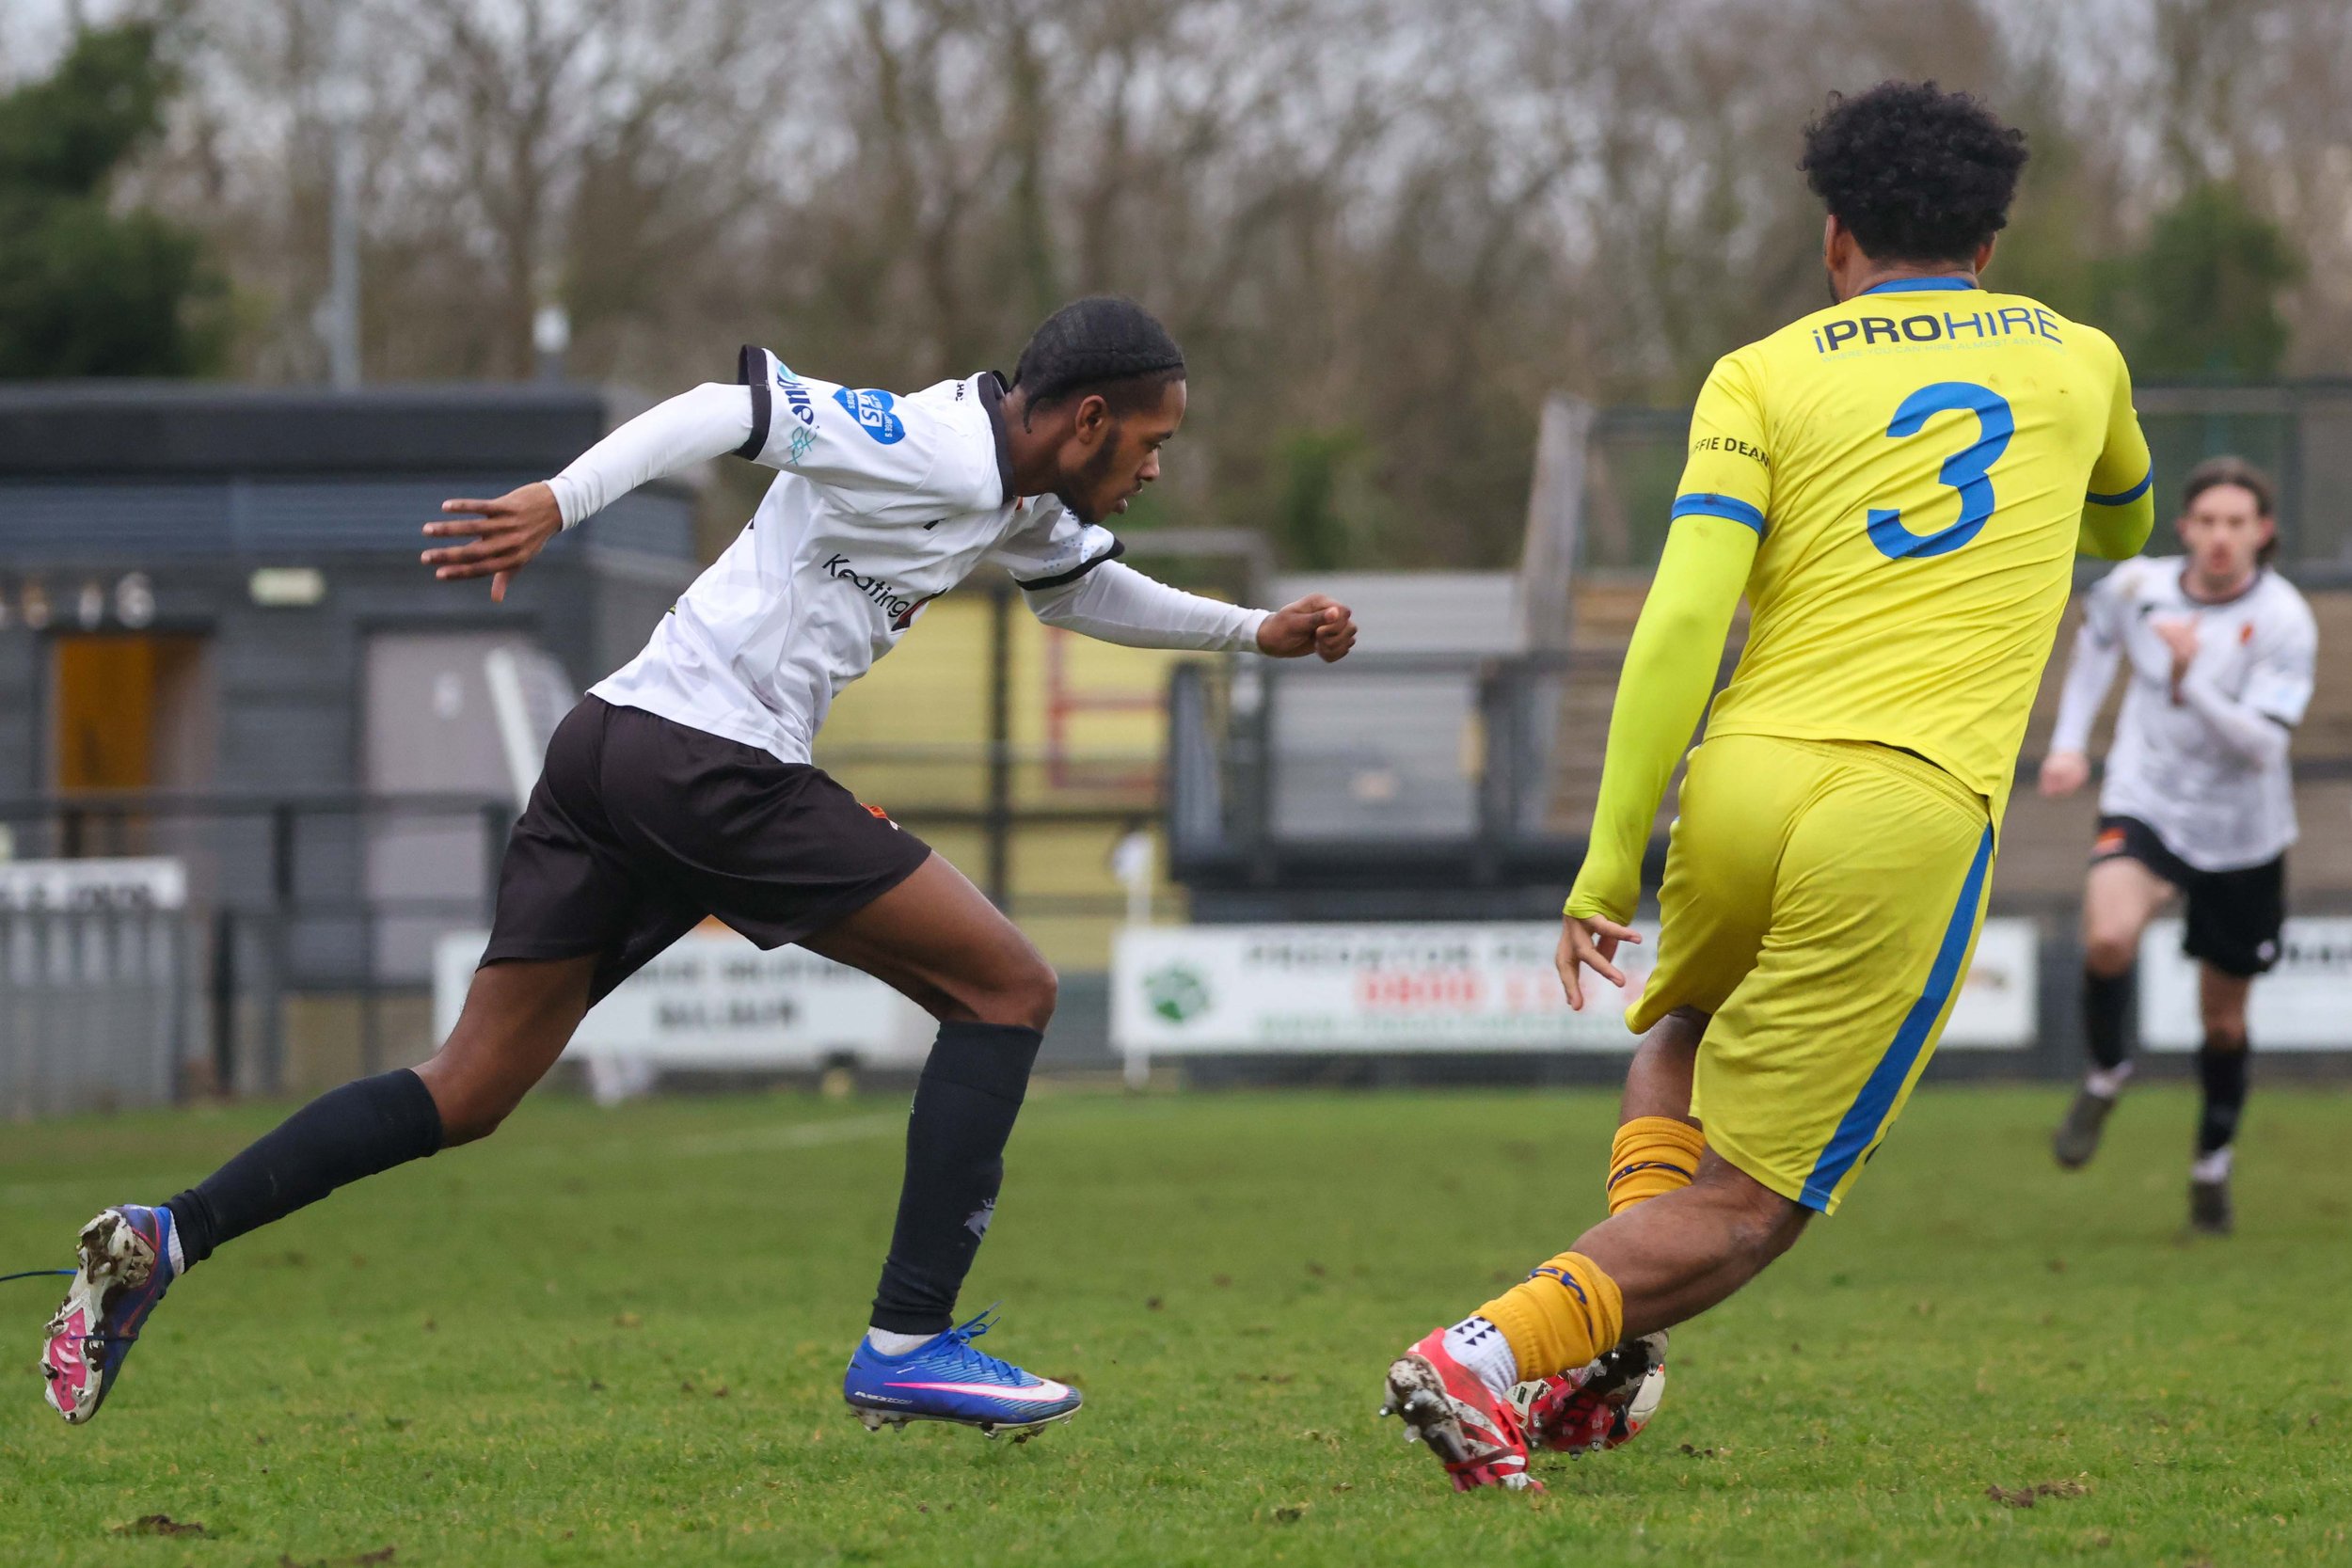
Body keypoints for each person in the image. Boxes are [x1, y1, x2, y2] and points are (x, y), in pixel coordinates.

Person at [40, 296, 1359, 1435]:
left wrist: (1255, 631)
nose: (1156, 468)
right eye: (1153, 441)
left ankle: (167, 1233)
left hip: (609, 749)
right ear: (1087, 420)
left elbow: (1081, 590)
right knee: (1010, 987)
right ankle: (909, 1340)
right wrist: (560, 502)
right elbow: (725, 412)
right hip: (708, 762)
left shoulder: (1013, 495)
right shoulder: (939, 444)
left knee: (471, 1085)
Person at [1379, 82, 2154, 1492]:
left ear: (1834, 235)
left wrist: (1607, 858)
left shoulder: (1757, 373)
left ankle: (1608, 1343)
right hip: (1903, 805)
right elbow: (2126, 522)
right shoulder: (2080, 357)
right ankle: (1483, 1353)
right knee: (1748, 1210)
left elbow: (1684, 619)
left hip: (1742, 779)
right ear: (1990, 245)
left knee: (1682, 1022)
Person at [2042, 457, 2315, 1234]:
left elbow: (2262, 746)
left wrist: (2187, 676)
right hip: (2147, 800)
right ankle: (2107, 1072)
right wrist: (2069, 743)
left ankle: (2211, 1165)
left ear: (2262, 532)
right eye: (2209, 521)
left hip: (2242, 833)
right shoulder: (2138, 586)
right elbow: (2096, 643)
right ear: (2185, 527)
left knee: (2223, 1022)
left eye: (2238, 523)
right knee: (2107, 936)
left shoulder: (2285, 618)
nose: (2222, 536)